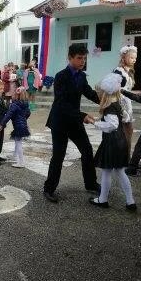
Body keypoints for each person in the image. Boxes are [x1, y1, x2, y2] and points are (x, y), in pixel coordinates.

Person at [43, 44, 101, 203]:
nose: (82, 61)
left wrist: (105, 102)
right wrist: (82, 115)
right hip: (60, 121)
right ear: (70, 58)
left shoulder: (81, 76)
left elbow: (89, 93)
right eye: (79, 58)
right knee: (59, 156)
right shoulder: (61, 76)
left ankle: (90, 183)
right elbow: (61, 104)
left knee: (87, 150)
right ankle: (49, 189)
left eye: (84, 58)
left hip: (74, 121)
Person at [88, 73, 136, 211]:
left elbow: (112, 125)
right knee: (120, 172)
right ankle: (130, 201)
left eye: (100, 92)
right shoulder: (118, 102)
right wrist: (99, 120)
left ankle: (103, 200)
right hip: (120, 140)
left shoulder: (109, 107)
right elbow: (121, 119)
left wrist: (94, 123)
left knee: (107, 172)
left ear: (105, 93)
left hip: (112, 142)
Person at [0, 86, 31, 168]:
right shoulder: (25, 103)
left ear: (16, 95)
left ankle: (21, 162)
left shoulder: (14, 104)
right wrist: (23, 119)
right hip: (23, 125)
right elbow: (28, 113)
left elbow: (8, 115)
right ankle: (15, 156)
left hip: (18, 126)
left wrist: (1, 124)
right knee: (17, 141)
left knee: (18, 143)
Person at [113, 45, 137, 157]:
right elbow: (115, 89)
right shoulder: (118, 71)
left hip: (127, 102)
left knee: (129, 131)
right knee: (123, 131)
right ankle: (122, 157)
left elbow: (127, 89)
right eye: (131, 57)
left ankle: (126, 157)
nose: (134, 60)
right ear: (124, 57)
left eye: (135, 58)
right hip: (120, 103)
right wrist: (120, 107)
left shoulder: (129, 71)